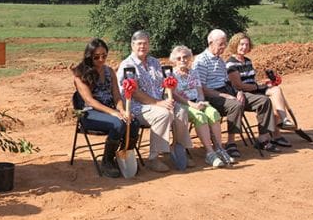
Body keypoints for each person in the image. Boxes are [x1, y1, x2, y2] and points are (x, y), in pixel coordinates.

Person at [192, 29, 279, 157]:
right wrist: (223, 95)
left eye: (224, 44)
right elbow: (201, 88)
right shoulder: (201, 61)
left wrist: (238, 92)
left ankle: (263, 138)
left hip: (227, 91)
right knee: (235, 105)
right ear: (210, 42)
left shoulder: (220, 61)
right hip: (211, 95)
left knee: (263, 100)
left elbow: (228, 82)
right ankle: (231, 142)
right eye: (221, 44)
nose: (223, 47)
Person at [116, 31, 194, 172]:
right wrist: (157, 103)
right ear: (132, 45)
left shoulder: (154, 62)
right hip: (136, 107)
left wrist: (168, 93)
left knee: (181, 111)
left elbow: (162, 84)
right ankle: (153, 158)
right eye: (139, 43)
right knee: (163, 114)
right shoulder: (127, 65)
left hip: (159, 102)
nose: (143, 46)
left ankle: (178, 150)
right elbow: (134, 92)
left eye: (145, 43)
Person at [72, 38, 139, 178]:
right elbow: (89, 101)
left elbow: (116, 96)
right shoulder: (79, 74)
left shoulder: (109, 71)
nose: (101, 59)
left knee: (133, 121)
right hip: (89, 113)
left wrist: (122, 110)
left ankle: (124, 153)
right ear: (89, 56)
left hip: (111, 110)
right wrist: (114, 113)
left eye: (104, 56)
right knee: (118, 123)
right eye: (96, 57)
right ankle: (107, 161)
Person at [169, 45, 235, 167]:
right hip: (183, 104)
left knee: (213, 113)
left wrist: (201, 101)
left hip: (197, 102)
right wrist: (193, 105)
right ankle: (210, 153)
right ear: (174, 60)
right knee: (200, 116)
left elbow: (199, 90)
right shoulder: (171, 75)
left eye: (185, 57)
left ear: (189, 58)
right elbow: (175, 95)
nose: (182, 60)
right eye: (179, 58)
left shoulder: (194, 72)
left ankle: (219, 148)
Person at [226, 32, 294, 147]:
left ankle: (284, 120)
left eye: (247, 45)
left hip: (254, 89)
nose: (244, 47)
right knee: (267, 101)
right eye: (241, 44)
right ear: (235, 45)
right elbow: (239, 85)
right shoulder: (231, 63)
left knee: (276, 89)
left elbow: (250, 80)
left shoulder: (248, 61)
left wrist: (263, 84)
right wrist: (258, 87)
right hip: (243, 94)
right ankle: (275, 134)